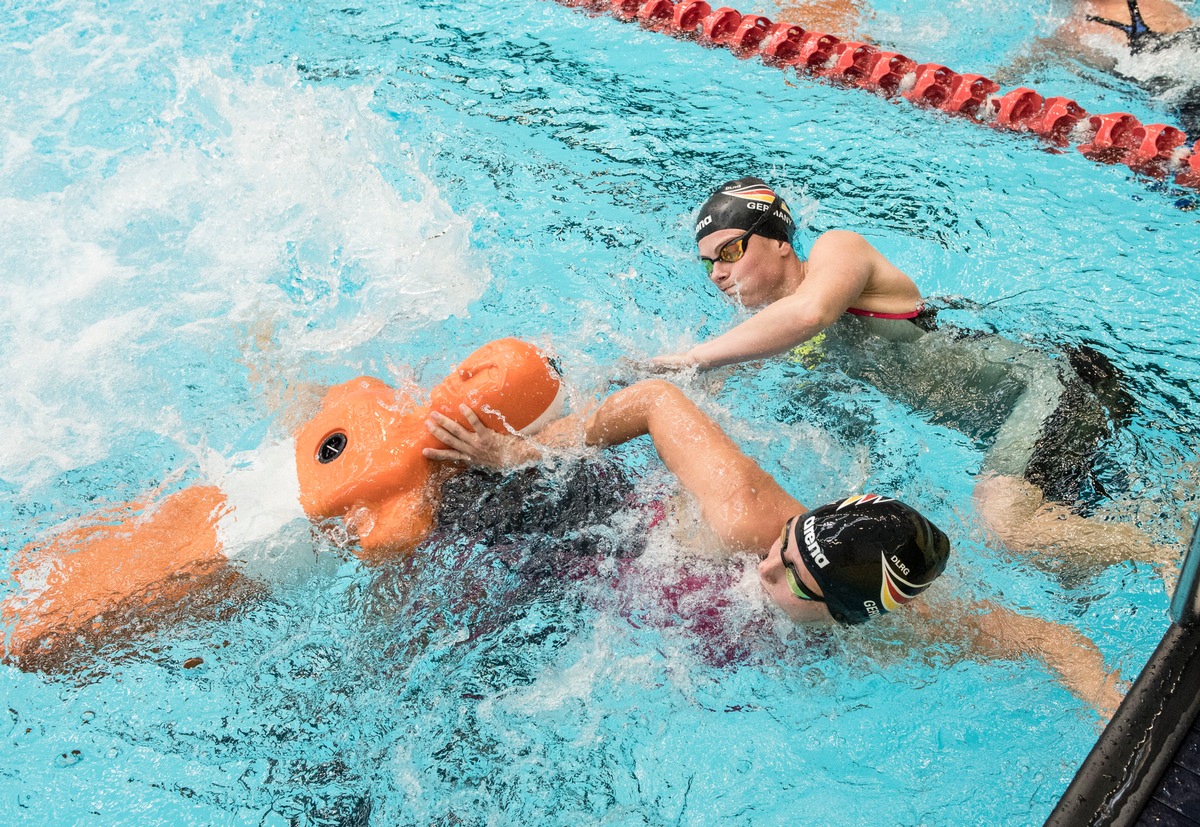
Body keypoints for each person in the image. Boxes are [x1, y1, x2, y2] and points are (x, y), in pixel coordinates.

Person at [422, 379, 1128, 715]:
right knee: (423, 516)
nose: (764, 563)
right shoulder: (743, 514)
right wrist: (524, 451)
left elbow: (1049, 639)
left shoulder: (904, 629)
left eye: (793, 577)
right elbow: (655, 399)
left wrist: (1109, 704)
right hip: (601, 528)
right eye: (786, 547)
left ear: (850, 613)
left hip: (649, 624)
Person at [646, 176, 1170, 567]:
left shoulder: (838, 253)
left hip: (1045, 389)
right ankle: (1169, 535)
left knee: (1004, 523)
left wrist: (692, 356)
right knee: (1070, 568)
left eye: (730, 251)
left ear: (780, 239)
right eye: (707, 263)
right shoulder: (775, 339)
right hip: (1006, 434)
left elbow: (810, 314)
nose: (718, 273)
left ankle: (1169, 556)